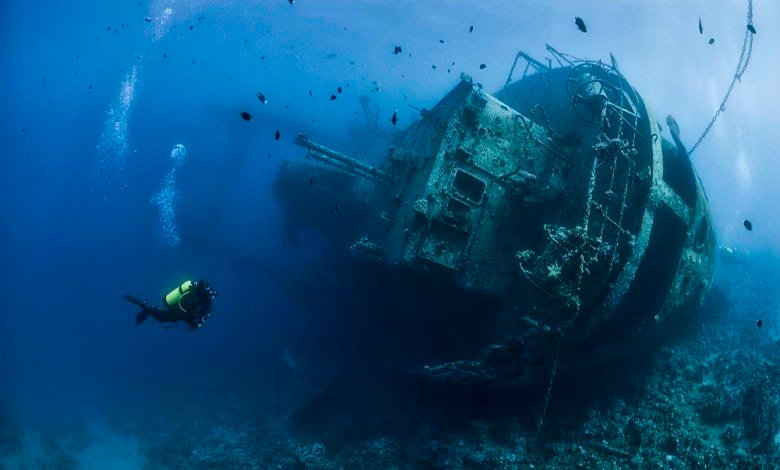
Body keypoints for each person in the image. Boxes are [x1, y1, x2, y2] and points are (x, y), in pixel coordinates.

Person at [124, 280, 217, 330]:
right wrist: (193, 322)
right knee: (161, 318)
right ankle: (144, 305)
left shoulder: (205, 300)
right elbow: (185, 312)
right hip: (177, 310)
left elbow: (203, 315)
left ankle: (148, 309)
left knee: (162, 317)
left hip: (180, 313)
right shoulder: (194, 297)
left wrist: (197, 322)